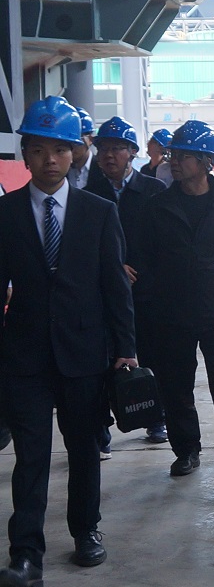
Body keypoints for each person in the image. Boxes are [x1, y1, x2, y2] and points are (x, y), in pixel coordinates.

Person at [0, 97, 137, 585]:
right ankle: (26, 553)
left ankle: (86, 531)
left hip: (84, 354)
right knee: (31, 456)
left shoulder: (98, 212)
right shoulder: (5, 213)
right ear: (25, 154)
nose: (50, 160)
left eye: (60, 149)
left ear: (75, 152)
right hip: (25, 357)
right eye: (39, 150)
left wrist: (126, 349)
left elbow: (114, 286)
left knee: (83, 448)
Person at [137, 120, 214, 485]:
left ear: (207, 162)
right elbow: (145, 260)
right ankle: (187, 449)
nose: (174, 161)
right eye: (173, 154)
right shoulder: (157, 208)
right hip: (171, 314)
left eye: (184, 156)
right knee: (176, 387)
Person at [86, 116, 169, 445]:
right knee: (103, 359)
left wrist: (140, 269)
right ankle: (101, 425)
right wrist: (113, 267)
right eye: (103, 149)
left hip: (147, 290)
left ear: (133, 152)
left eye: (117, 148)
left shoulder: (153, 191)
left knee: (152, 354)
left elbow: (165, 243)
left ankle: (156, 418)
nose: (109, 155)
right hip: (104, 292)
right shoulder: (88, 194)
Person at [66, 107, 96, 189]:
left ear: (90, 139)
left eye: (77, 141)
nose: (71, 146)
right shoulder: (62, 169)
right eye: (67, 142)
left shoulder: (103, 170)